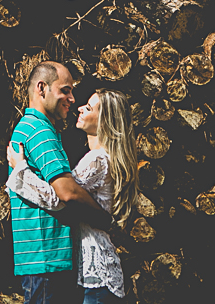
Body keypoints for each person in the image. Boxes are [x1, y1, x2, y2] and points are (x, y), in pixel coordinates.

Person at [8, 88, 138, 303]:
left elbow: (60, 197)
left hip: (96, 270)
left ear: (105, 121)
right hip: (94, 270)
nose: (79, 107)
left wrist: (21, 170)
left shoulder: (97, 159)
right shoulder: (104, 157)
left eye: (88, 108)